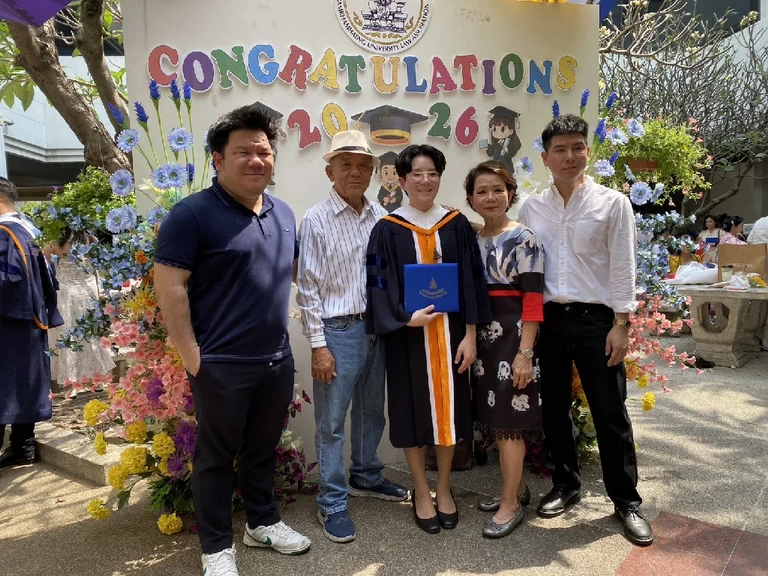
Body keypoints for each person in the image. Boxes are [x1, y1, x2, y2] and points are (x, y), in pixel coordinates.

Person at [154, 105, 310, 576]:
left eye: (264, 151)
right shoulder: (191, 215)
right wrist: (192, 356)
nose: (257, 160)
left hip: (275, 358)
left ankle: (261, 523)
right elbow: (170, 286)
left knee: (262, 449)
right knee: (216, 458)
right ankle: (217, 549)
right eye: (244, 152)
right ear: (218, 159)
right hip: (220, 362)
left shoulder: (283, 213)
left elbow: (292, 275)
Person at [518, 114, 654, 546]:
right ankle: (566, 484)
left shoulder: (612, 203)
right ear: (545, 158)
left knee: (610, 411)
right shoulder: (531, 208)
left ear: (588, 151)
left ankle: (626, 501)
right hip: (549, 321)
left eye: (577, 147)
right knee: (554, 408)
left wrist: (621, 324)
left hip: (597, 321)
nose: (570, 156)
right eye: (560, 149)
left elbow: (624, 266)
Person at [365, 144, 492, 534]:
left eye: (432, 173)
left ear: (440, 177)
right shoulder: (387, 228)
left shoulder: (456, 224)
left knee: (450, 413)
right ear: (403, 181)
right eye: (417, 174)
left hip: (452, 336)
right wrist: (405, 319)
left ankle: (444, 487)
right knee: (411, 412)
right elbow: (378, 285)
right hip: (408, 339)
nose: (425, 180)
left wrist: (470, 335)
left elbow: (472, 281)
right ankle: (421, 490)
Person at [296, 131, 408, 544]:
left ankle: (366, 474)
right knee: (331, 422)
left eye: (363, 165)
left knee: (371, 410)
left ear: (374, 172)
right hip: (338, 331)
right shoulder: (316, 220)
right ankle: (331, 501)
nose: (356, 172)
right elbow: (307, 288)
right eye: (346, 164)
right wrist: (318, 346)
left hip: (376, 327)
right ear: (330, 171)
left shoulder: (381, 215)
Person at [464, 161, 544, 539]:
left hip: (515, 339)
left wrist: (525, 353)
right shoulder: (473, 238)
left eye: (498, 189)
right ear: (470, 199)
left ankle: (511, 504)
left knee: (510, 424)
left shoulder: (525, 238)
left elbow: (533, 300)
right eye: (481, 191)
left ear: (510, 194)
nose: (490, 197)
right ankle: (517, 488)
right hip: (484, 342)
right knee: (497, 420)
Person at [0, 177, 63, 473]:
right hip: (28, 319)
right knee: (21, 381)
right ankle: (22, 446)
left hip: (9, 321)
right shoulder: (28, 229)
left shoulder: (5, 234)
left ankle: (21, 446)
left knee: (8, 382)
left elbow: (7, 281)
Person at [46, 228, 115, 397]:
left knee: (67, 336)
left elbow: (42, 266)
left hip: (65, 294)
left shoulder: (55, 243)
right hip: (85, 292)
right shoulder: (90, 239)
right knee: (89, 336)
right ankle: (97, 380)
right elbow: (95, 270)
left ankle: (71, 384)